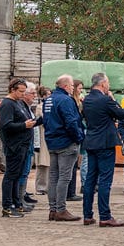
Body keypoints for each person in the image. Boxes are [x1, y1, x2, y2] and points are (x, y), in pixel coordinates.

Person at [81, 72, 124, 227]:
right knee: (105, 180)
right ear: (102, 84)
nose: (109, 86)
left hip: (91, 141)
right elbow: (121, 114)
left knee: (90, 179)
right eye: (107, 83)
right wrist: (114, 100)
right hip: (105, 143)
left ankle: (87, 215)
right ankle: (105, 216)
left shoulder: (87, 99)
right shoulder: (105, 100)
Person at [43, 75, 84, 222]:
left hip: (52, 141)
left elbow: (46, 120)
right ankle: (61, 209)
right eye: (72, 85)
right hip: (66, 142)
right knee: (64, 177)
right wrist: (79, 137)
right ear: (66, 86)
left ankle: (53, 209)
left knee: (53, 176)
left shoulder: (49, 100)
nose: (73, 88)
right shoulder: (66, 100)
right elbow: (71, 121)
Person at [0, 77, 38, 218]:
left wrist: (36, 122)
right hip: (14, 146)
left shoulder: (18, 103)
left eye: (24, 91)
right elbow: (6, 125)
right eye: (20, 91)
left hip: (23, 145)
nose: (23, 94)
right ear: (12, 90)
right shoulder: (7, 104)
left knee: (17, 176)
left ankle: (17, 203)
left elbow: (25, 120)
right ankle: (7, 206)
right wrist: (23, 126)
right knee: (11, 176)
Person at [17, 82, 39, 207]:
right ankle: (19, 200)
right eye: (32, 93)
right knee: (22, 172)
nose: (34, 96)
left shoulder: (27, 107)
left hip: (29, 142)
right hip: (23, 143)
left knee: (26, 171)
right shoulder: (20, 106)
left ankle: (22, 197)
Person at [67, 79, 85, 202]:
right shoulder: (72, 102)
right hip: (74, 136)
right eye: (79, 88)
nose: (81, 91)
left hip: (77, 133)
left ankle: (71, 191)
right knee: (71, 166)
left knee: (74, 165)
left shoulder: (78, 101)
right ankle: (70, 192)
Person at [34, 86, 51, 197]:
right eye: (48, 94)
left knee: (48, 163)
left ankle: (47, 186)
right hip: (42, 137)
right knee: (42, 163)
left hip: (48, 137)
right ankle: (41, 187)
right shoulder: (40, 107)